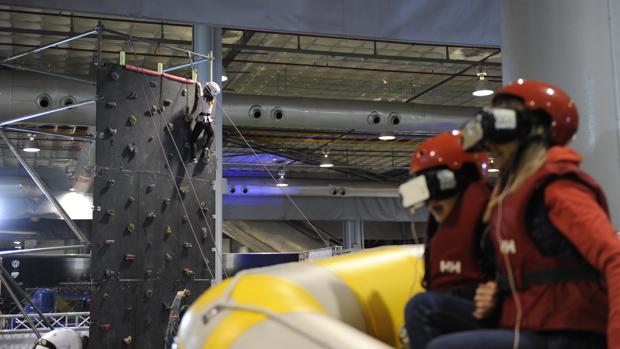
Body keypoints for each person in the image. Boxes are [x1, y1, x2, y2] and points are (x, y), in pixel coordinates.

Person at [428, 79, 620, 349]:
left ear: (535, 130)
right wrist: (496, 291)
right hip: (530, 325)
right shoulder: (511, 195)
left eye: (502, 128)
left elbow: (614, 258)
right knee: (427, 313)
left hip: (566, 334)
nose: (492, 146)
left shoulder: (559, 188)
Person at [398, 131, 494, 349]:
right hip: (461, 313)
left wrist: (498, 291)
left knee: (421, 308)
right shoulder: (441, 229)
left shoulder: (493, 219)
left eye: (437, 186)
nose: (431, 202)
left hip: (492, 316)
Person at [188, 81, 220, 164]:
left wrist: (190, 117)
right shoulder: (211, 100)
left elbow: (198, 111)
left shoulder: (202, 99)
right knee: (211, 135)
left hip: (201, 121)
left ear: (207, 90)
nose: (204, 88)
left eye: (206, 87)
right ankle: (206, 148)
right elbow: (201, 97)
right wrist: (199, 87)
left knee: (192, 140)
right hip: (207, 122)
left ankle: (193, 158)